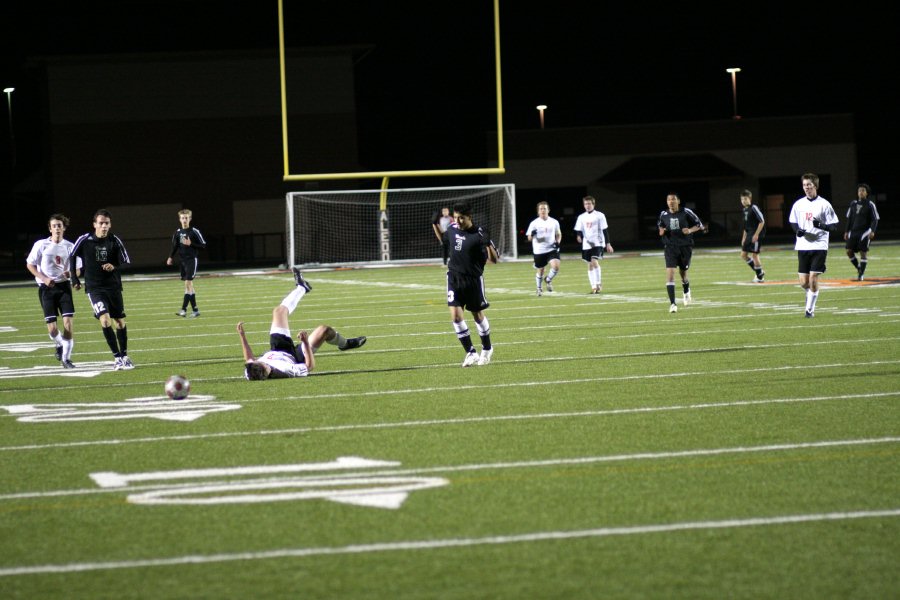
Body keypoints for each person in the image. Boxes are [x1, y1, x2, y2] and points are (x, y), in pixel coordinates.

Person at [237, 268, 366, 379]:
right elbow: (309, 366)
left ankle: (302, 287)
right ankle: (345, 344)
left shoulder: (251, 371)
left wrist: (242, 336)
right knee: (324, 330)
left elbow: (249, 359)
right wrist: (305, 343)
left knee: (279, 311)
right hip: (296, 356)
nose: (255, 361)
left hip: (278, 347)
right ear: (265, 368)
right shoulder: (286, 370)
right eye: (259, 363)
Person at [69, 209, 135, 370]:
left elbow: (126, 260)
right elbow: (72, 256)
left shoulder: (114, 240)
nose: (104, 226)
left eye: (106, 223)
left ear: (110, 224)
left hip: (113, 287)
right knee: (104, 320)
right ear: (94, 224)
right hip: (94, 288)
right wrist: (75, 278)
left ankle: (125, 355)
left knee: (119, 322)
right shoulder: (85, 240)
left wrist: (114, 265)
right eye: (101, 223)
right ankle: (117, 358)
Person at [443, 201, 499, 367]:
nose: (458, 221)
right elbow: (444, 240)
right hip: (453, 277)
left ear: (469, 217)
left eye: (461, 218)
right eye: (456, 218)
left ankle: (487, 349)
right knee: (456, 316)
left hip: (473, 280)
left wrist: (488, 243)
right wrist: (434, 224)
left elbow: (494, 259)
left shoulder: (480, 233)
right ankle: (470, 352)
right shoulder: (452, 228)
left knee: (477, 315)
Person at [25, 214, 80, 368]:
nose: (57, 228)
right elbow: (30, 265)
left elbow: (78, 267)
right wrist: (44, 278)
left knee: (68, 324)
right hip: (46, 289)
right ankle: (60, 344)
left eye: (59, 225)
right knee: (53, 328)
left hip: (64, 288)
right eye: (54, 225)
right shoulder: (41, 245)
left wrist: (72, 274)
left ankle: (66, 359)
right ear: (50, 228)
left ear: (64, 228)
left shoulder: (70, 246)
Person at [788, 172, 839, 318]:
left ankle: (809, 310)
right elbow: (793, 221)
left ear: (815, 185)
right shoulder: (798, 204)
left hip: (819, 246)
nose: (806, 188)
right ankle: (810, 294)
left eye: (809, 185)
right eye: (804, 185)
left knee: (813, 279)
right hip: (803, 246)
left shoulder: (824, 204)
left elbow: (834, 225)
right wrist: (797, 231)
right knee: (804, 283)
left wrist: (822, 226)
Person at [657, 193, 704, 313]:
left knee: (683, 274)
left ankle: (686, 289)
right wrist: (662, 231)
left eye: (673, 199)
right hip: (670, 248)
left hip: (685, 247)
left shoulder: (686, 211)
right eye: (668, 200)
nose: (670, 202)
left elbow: (700, 225)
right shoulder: (663, 214)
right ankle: (673, 304)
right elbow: (661, 227)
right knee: (670, 274)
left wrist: (690, 230)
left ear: (678, 201)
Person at [166, 208, 207, 317]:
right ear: (180, 219)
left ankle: (183, 309)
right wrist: (170, 257)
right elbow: (175, 246)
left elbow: (203, 246)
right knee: (189, 286)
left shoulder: (194, 231)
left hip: (191, 260)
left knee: (188, 284)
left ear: (190, 219)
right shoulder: (178, 233)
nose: (184, 220)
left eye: (186, 218)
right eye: (183, 218)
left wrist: (191, 244)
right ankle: (195, 310)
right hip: (182, 261)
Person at [573, 195, 614, 294]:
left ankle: (599, 283)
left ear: (593, 204)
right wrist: (579, 236)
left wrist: (608, 244)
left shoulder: (600, 215)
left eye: (589, 203)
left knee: (594, 261)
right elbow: (579, 229)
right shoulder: (581, 217)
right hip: (587, 244)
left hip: (598, 242)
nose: (587, 205)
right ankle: (593, 287)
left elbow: (605, 230)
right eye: (585, 204)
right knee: (590, 265)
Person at [525, 201, 562, 296]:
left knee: (556, 266)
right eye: (541, 209)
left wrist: (558, 242)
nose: (543, 210)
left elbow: (558, 234)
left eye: (544, 208)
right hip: (539, 250)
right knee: (541, 270)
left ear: (548, 210)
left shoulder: (554, 222)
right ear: (538, 211)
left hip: (551, 249)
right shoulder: (534, 223)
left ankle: (548, 279)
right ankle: (539, 288)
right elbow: (529, 238)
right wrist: (532, 235)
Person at [844, 183, 879, 281]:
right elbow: (849, 219)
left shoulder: (870, 204)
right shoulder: (853, 204)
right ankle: (859, 268)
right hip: (853, 232)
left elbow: (875, 219)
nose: (861, 192)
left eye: (863, 190)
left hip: (865, 232)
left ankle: (861, 274)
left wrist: (872, 231)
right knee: (849, 251)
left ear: (867, 193)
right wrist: (846, 231)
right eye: (859, 190)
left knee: (863, 253)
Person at [739, 189, 766, 282]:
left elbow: (762, 221)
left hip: (756, 234)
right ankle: (760, 272)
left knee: (755, 255)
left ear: (750, 198)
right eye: (742, 199)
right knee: (743, 255)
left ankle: (760, 277)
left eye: (745, 199)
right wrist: (743, 238)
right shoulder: (744, 210)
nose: (743, 201)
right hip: (749, 234)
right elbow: (745, 226)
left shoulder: (754, 207)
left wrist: (756, 234)